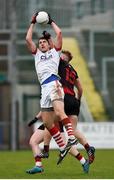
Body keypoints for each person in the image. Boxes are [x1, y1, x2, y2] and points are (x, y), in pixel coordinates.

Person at [26, 12, 78, 173]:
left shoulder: (55, 52)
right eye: (40, 42)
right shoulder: (37, 55)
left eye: (44, 42)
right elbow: (28, 39)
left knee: (59, 111)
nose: (41, 44)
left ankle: (70, 138)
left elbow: (59, 33)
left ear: (49, 44)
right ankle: (49, 158)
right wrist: (33, 22)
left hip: (54, 84)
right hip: (44, 89)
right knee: (48, 123)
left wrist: (51, 21)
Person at [26, 49, 92, 174]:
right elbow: (46, 106)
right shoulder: (68, 72)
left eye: (60, 57)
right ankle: (39, 165)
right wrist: (36, 117)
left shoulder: (56, 78)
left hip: (56, 116)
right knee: (34, 141)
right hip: (62, 108)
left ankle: (46, 149)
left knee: (61, 139)